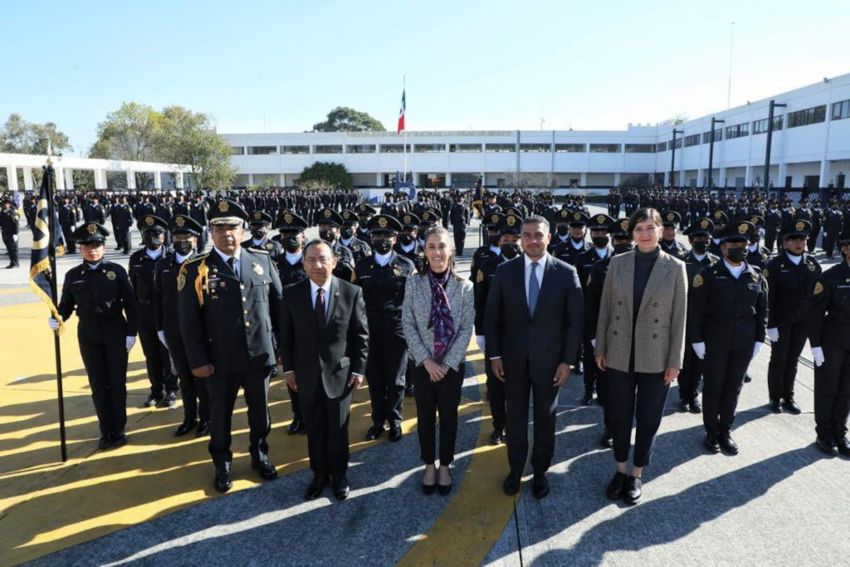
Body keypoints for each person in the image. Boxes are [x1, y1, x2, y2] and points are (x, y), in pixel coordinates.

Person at [178, 199, 283, 493]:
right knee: (220, 416)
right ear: (211, 232)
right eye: (220, 227)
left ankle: (259, 455)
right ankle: (222, 464)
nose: (227, 234)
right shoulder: (196, 268)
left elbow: (279, 307)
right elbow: (188, 321)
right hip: (219, 360)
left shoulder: (261, 261)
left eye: (233, 227)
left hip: (259, 356)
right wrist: (198, 360)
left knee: (260, 413)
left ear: (243, 229)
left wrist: (283, 349)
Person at [485, 215, 583, 499]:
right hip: (513, 362)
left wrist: (568, 361)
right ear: (520, 238)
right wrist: (495, 356)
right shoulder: (505, 271)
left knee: (545, 419)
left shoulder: (566, 273)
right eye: (526, 235)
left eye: (538, 235)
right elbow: (492, 319)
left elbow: (574, 323)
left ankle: (540, 471)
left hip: (551, 364)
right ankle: (515, 469)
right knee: (514, 418)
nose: (532, 241)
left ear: (549, 238)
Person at [594, 207, 687, 505]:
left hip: (656, 357)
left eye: (650, 227)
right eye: (639, 229)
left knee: (648, 419)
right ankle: (620, 470)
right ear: (631, 233)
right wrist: (601, 348)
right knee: (619, 416)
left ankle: (636, 473)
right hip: (620, 353)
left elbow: (679, 319)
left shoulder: (675, 267)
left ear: (660, 230)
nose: (644, 234)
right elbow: (606, 308)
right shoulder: (618, 263)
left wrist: (675, 361)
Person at [280, 239, 369, 501]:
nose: (318, 265)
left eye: (323, 259)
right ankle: (319, 474)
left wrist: (359, 369)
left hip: (340, 375)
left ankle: (340, 474)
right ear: (304, 264)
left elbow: (361, 335)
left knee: (338, 428)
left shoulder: (351, 292)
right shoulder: (291, 293)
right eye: (311, 260)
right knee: (314, 426)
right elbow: (286, 336)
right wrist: (288, 370)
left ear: (334, 262)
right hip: (305, 375)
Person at [51, 222, 137, 449]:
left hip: (115, 332)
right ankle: (105, 430)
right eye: (88, 246)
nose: (93, 250)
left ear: (104, 246)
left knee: (117, 384)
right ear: (80, 248)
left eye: (97, 245)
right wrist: (57, 317)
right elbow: (66, 305)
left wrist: (132, 332)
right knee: (98, 385)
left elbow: (131, 303)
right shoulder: (72, 276)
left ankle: (118, 429)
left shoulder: (116, 272)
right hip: (89, 334)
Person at [402, 226, 474, 494]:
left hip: (451, 367)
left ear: (451, 250)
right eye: (431, 247)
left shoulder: (464, 286)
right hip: (423, 366)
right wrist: (426, 361)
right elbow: (407, 324)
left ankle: (444, 465)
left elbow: (467, 327)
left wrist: (446, 363)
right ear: (424, 250)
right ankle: (428, 465)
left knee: (449, 418)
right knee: (424, 417)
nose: (436, 252)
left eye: (442, 246)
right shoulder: (413, 282)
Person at [688, 222, 767, 455]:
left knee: (734, 387)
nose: (739, 248)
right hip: (715, 340)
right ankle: (711, 432)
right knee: (713, 387)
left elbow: (763, 310)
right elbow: (696, 310)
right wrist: (696, 340)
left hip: (744, 341)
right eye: (733, 244)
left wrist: (759, 339)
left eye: (743, 244)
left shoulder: (756, 274)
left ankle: (725, 430)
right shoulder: (708, 274)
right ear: (722, 248)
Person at [355, 214, 415, 442]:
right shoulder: (360, 266)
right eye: (376, 235)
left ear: (395, 237)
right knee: (376, 378)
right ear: (370, 238)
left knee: (397, 379)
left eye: (386, 235)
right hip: (369, 330)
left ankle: (395, 420)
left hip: (397, 330)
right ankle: (378, 421)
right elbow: (356, 302)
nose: (381, 240)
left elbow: (411, 302)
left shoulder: (406, 265)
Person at [153, 214, 210, 437]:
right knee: (184, 376)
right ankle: (190, 417)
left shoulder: (205, 263)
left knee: (203, 376)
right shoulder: (163, 265)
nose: (182, 240)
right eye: (177, 236)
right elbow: (157, 299)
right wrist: (160, 328)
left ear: (196, 239)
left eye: (187, 236)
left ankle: (207, 418)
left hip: (200, 329)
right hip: (173, 328)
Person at [474, 213, 523, 445]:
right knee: (495, 385)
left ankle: (515, 425)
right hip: (496, 335)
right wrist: (480, 333)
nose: (510, 243)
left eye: (515, 239)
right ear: (498, 240)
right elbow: (480, 301)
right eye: (505, 239)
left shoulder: (532, 264)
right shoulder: (487, 265)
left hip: (523, 338)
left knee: (519, 386)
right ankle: (498, 426)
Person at [765, 220, 821, 414]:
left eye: (802, 239)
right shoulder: (774, 265)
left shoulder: (812, 264)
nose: (799, 243)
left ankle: (788, 395)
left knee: (793, 359)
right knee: (779, 358)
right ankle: (775, 397)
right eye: (794, 239)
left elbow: (818, 296)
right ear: (785, 242)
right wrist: (770, 323)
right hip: (781, 320)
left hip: (803, 321)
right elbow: (769, 298)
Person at [807, 224, 850, 456]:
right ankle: (824, 433)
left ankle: (840, 432)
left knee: (846, 391)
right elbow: (815, 313)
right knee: (827, 389)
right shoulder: (831, 276)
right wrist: (815, 345)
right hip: (833, 342)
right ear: (845, 249)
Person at [129, 214, 178, 408]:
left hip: (167, 314)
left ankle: (172, 389)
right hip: (145, 314)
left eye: (157, 233)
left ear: (164, 235)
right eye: (148, 234)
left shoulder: (172, 257)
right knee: (151, 354)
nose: (153, 238)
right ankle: (156, 390)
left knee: (168, 354)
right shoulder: (136, 258)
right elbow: (133, 286)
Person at [273, 210, 310, 434]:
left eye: (294, 233)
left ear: (303, 236)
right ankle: (297, 415)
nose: (290, 238)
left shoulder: (311, 262)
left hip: (310, 327)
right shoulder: (273, 264)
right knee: (292, 374)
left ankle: (311, 414)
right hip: (285, 329)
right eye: (285, 234)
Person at [678, 217, 719, 413]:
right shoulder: (681, 262)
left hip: (708, 321)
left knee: (701, 360)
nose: (703, 241)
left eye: (706, 238)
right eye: (699, 238)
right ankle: (684, 395)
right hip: (685, 319)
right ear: (691, 240)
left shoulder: (717, 263)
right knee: (685, 360)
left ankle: (694, 395)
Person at [0, 199, 20, 268]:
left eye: (7, 204)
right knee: (9, 249)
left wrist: (16, 233)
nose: (5, 205)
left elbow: (16, 224)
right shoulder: (2, 213)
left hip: (12, 234)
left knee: (14, 249)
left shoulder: (12, 213)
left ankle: (16, 263)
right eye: (4, 204)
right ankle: (12, 262)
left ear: (9, 205)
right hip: (5, 233)